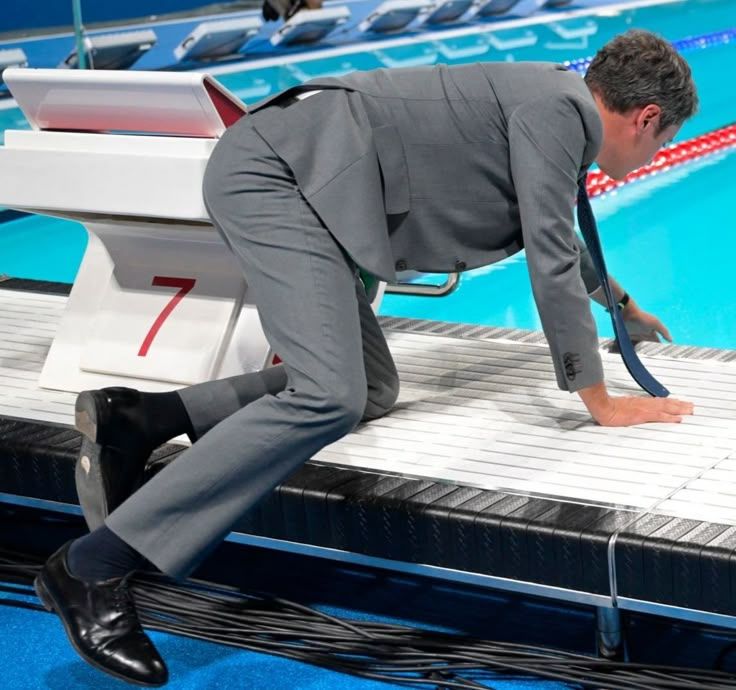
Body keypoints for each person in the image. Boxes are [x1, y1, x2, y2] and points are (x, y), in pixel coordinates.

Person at [34, 29, 697, 686]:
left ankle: (141, 418)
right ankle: (91, 567)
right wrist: (599, 400)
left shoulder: (555, 99)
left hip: (308, 190)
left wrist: (623, 307)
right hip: (279, 180)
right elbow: (549, 252)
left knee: (372, 388)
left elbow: (555, 234)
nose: (657, 153)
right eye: (664, 139)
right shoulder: (560, 111)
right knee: (328, 396)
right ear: (646, 118)